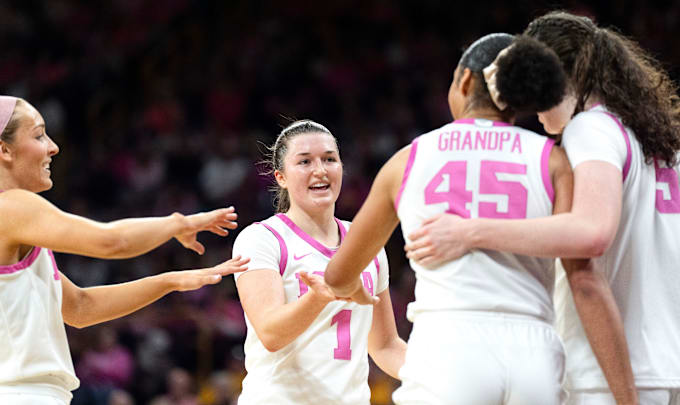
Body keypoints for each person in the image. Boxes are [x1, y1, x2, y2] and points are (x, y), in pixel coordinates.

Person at [404, 11, 680, 405]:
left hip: (611, 376)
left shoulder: (591, 128)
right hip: (667, 366)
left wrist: (469, 231)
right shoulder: (658, 141)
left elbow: (592, 234)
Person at [324, 33, 573, 404]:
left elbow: (338, 276)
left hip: (449, 343)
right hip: (534, 346)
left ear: (466, 81)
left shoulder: (408, 160)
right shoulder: (552, 159)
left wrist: (352, 288)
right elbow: (577, 265)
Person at [0, 94, 249, 405]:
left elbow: (81, 309)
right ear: (3, 149)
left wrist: (171, 281)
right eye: (39, 134)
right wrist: (178, 223)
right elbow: (111, 241)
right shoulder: (7, 206)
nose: (53, 147)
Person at [232, 119, 407, 405]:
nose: (320, 170)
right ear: (281, 177)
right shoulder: (262, 239)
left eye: (329, 159)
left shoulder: (366, 242)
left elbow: (385, 345)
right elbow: (270, 333)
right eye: (304, 162)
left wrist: (433, 377)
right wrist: (319, 296)